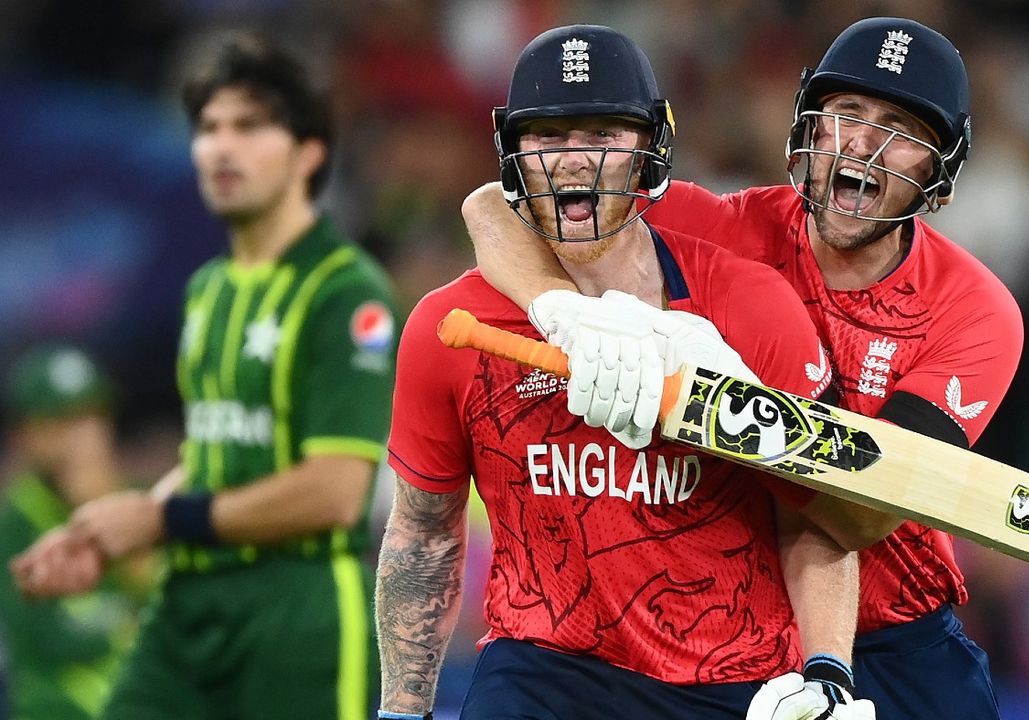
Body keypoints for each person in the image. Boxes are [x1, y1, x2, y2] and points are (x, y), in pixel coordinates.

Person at [464, 16, 1021, 720]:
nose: (866, 147)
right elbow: (497, 207)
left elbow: (870, 509)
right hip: (734, 642)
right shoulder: (721, 227)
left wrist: (739, 401)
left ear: (939, 166)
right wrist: (558, 309)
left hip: (897, 637)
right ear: (810, 129)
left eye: (903, 131)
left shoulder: (973, 309)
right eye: (847, 115)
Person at [376, 24, 876, 720]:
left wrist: (827, 673)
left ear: (649, 149)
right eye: (548, 137)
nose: (573, 163)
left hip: (731, 680)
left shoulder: (752, 305)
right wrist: (402, 711)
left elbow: (823, 516)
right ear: (511, 151)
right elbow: (425, 531)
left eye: (603, 136)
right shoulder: (450, 328)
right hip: (540, 672)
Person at [10, 35, 398, 720]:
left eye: (249, 128)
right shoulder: (208, 290)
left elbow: (337, 491)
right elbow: (215, 452)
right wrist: (105, 535)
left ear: (308, 153)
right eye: (210, 129)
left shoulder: (345, 293)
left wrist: (157, 516)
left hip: (296, 609)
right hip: (190, 603)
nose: (222, 148)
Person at [0, 345, 153, 720]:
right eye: (63, 421)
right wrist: (127, 623)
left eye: (93, 417)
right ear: (26, 437)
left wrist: (109, 509)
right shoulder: (17, 519)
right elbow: (46, 642)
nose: (85, 437)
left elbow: (175, 611)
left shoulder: (141, 502)